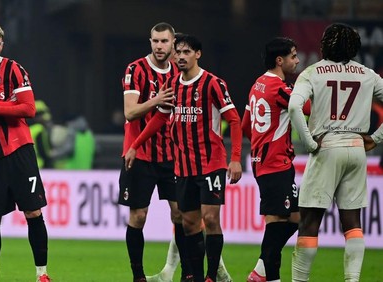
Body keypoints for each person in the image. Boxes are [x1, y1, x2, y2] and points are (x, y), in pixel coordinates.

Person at [125, 34, 243, 282]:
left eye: (186, 52)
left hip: (211, 164)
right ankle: (198, 277)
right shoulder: (173, 87)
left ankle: (212, 275)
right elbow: (159, 118)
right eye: (177, 52)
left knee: (210, 219)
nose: (180, 56)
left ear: (197, 54)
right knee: (189, 224)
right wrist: (135, 145)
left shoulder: (213, 83)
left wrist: (235, 158)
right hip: (183, 166)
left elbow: (233, 119)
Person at [288, 23, 383, 282]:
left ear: (323, 46)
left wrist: (308, 143)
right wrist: (375, 138)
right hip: (356, 149)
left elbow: (295, 108)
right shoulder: (367, 74)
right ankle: (352, 280)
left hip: (328, 147)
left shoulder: (313, 72)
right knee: (352, 223)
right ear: (354, 48)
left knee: (309, 221)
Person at [0, 24, 50, 282]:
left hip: (19, 152)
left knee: (34, 213)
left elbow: (28, 109)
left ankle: (42, 274)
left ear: (2, 46)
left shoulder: (13, 70)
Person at [118, 22, 187, 282]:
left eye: (164, 42)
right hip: (140, 154)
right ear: (150, 42)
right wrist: (157, 100)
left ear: (173, 44)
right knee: (138, 216)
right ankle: (138, 276)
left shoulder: (180, 74)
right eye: (155, 41)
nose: (160, 46)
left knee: (181, 213)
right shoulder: (135, 70)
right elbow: (130, 112)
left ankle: (188, 273)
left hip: (172, 155)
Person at [241, 37, 309, 282]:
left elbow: (246, 126)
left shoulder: (257, 84)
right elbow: (308, 107)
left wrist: (262, 142)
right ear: (280, 60)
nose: (297, 60)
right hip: (275, 164)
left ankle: (261, 269)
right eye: (293, 55)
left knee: (294, 218)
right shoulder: (279, 88)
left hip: (265, 162)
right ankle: (269, 277)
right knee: (276, 224)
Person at [29, 100, 53, 169]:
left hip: (31, 164)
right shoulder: (40, 129)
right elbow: (44, 150)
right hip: (40, 164)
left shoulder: (29, 129)